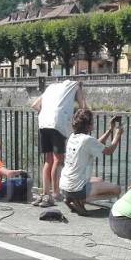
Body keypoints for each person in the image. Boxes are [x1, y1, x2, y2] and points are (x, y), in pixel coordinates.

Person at [31, 78, 85, 207]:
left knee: (48, 160)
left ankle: (45, 193)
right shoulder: (76, 86)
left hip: (43, 123)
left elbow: (34, 105)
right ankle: (55, 193)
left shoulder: (52, 88)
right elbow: (84, 107)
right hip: (57, 123)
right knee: (57, 160)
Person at [58, 109, 122, 214]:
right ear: (88, 125)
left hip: (65, 186)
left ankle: (70, 199)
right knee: (117, 189)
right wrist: (118, 134)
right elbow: (109, 151)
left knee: (99, 180)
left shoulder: (73, 137)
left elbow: (97, 144)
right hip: (76, 188)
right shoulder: (87, 140)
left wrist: (110, 130)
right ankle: (80, 200)